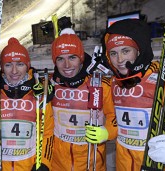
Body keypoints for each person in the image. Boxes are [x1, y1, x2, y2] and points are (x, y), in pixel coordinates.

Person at [97, 18, 165, 170]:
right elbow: (117, 119)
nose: (119, 60)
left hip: (162, 165)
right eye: (113, 53)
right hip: (124, 164)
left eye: (126, 51)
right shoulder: (115, 84)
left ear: (139, 50)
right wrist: (108, 131)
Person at [50, 28, 117, 171]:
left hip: (91, 163)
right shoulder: (50, 85)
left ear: (81, 58)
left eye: (72, 57)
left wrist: (107, 132)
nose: (66, 65)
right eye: (60, 59)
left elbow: (115, 117)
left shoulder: (99, 83)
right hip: (57, 164)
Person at [0, 37, 54, 171]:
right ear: (1, 67)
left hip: (28, 165)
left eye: (19, 64)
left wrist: (44, 163)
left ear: (28, 65)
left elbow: (47, 132)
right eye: (8, 65)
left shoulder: (38, 92)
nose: (14, 71)